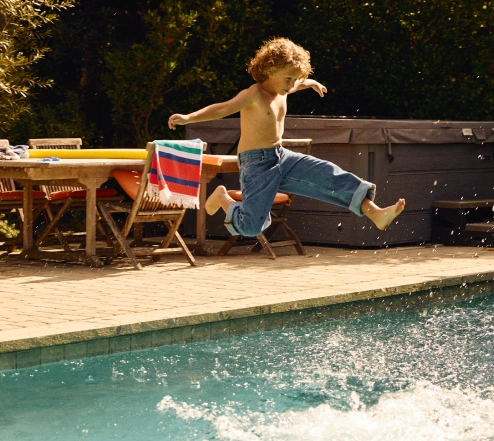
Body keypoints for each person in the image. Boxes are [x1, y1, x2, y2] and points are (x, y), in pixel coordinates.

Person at [169, 37, 405, 238]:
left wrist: (311, 82)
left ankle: (375, 212)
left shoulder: (285, 87)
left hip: (281, 157)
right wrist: (189, 118)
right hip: (256, 164)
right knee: (251, 227)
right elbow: (221, 109)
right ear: (270, 70)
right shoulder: (253, 94)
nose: (292, 85)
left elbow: (299, 82)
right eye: (288, 79)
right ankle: (223, 197)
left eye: (295, 79)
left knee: (329, 174)